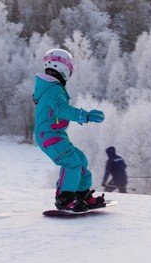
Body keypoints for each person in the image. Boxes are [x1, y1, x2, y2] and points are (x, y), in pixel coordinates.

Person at [33, 48, 106, 211]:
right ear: (62, 69)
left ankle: (82, 195)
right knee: (71, 162)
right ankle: (64, 199)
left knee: (80, 160)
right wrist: (84, 116)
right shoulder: (52, 89)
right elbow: (61, 109)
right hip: (49, 136)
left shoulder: (51, 87)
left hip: (57, 135)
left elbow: (58, 111)